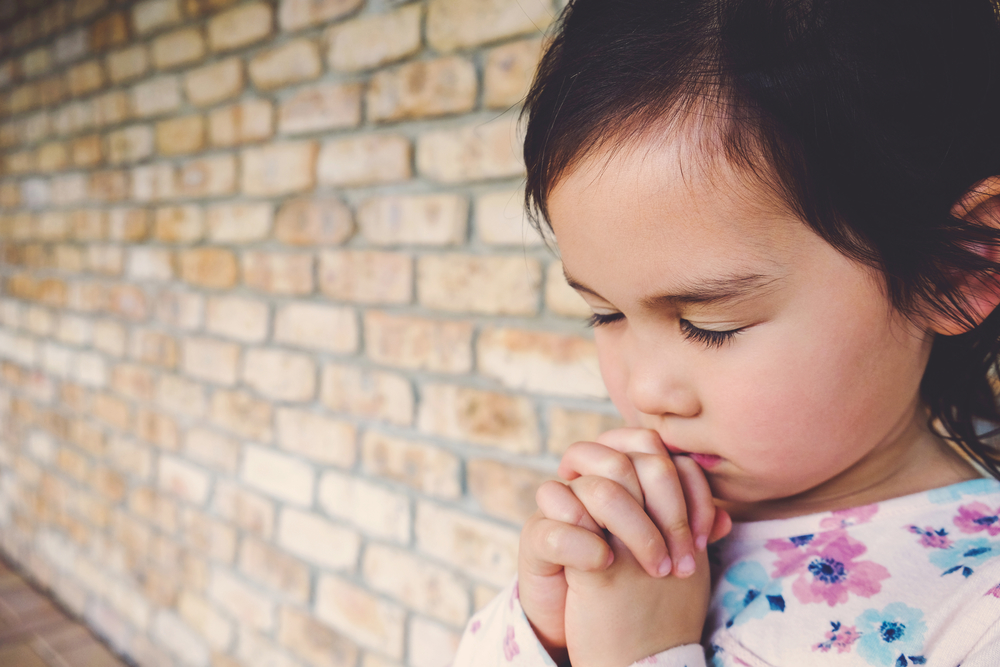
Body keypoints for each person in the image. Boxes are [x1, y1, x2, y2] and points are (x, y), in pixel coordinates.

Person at [451, 0, 1000, 665]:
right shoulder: (633, 532)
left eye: (710, 324)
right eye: (606, 314)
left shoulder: (977, 610)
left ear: (959, 267)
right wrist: (547, 631)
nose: (647, 390)